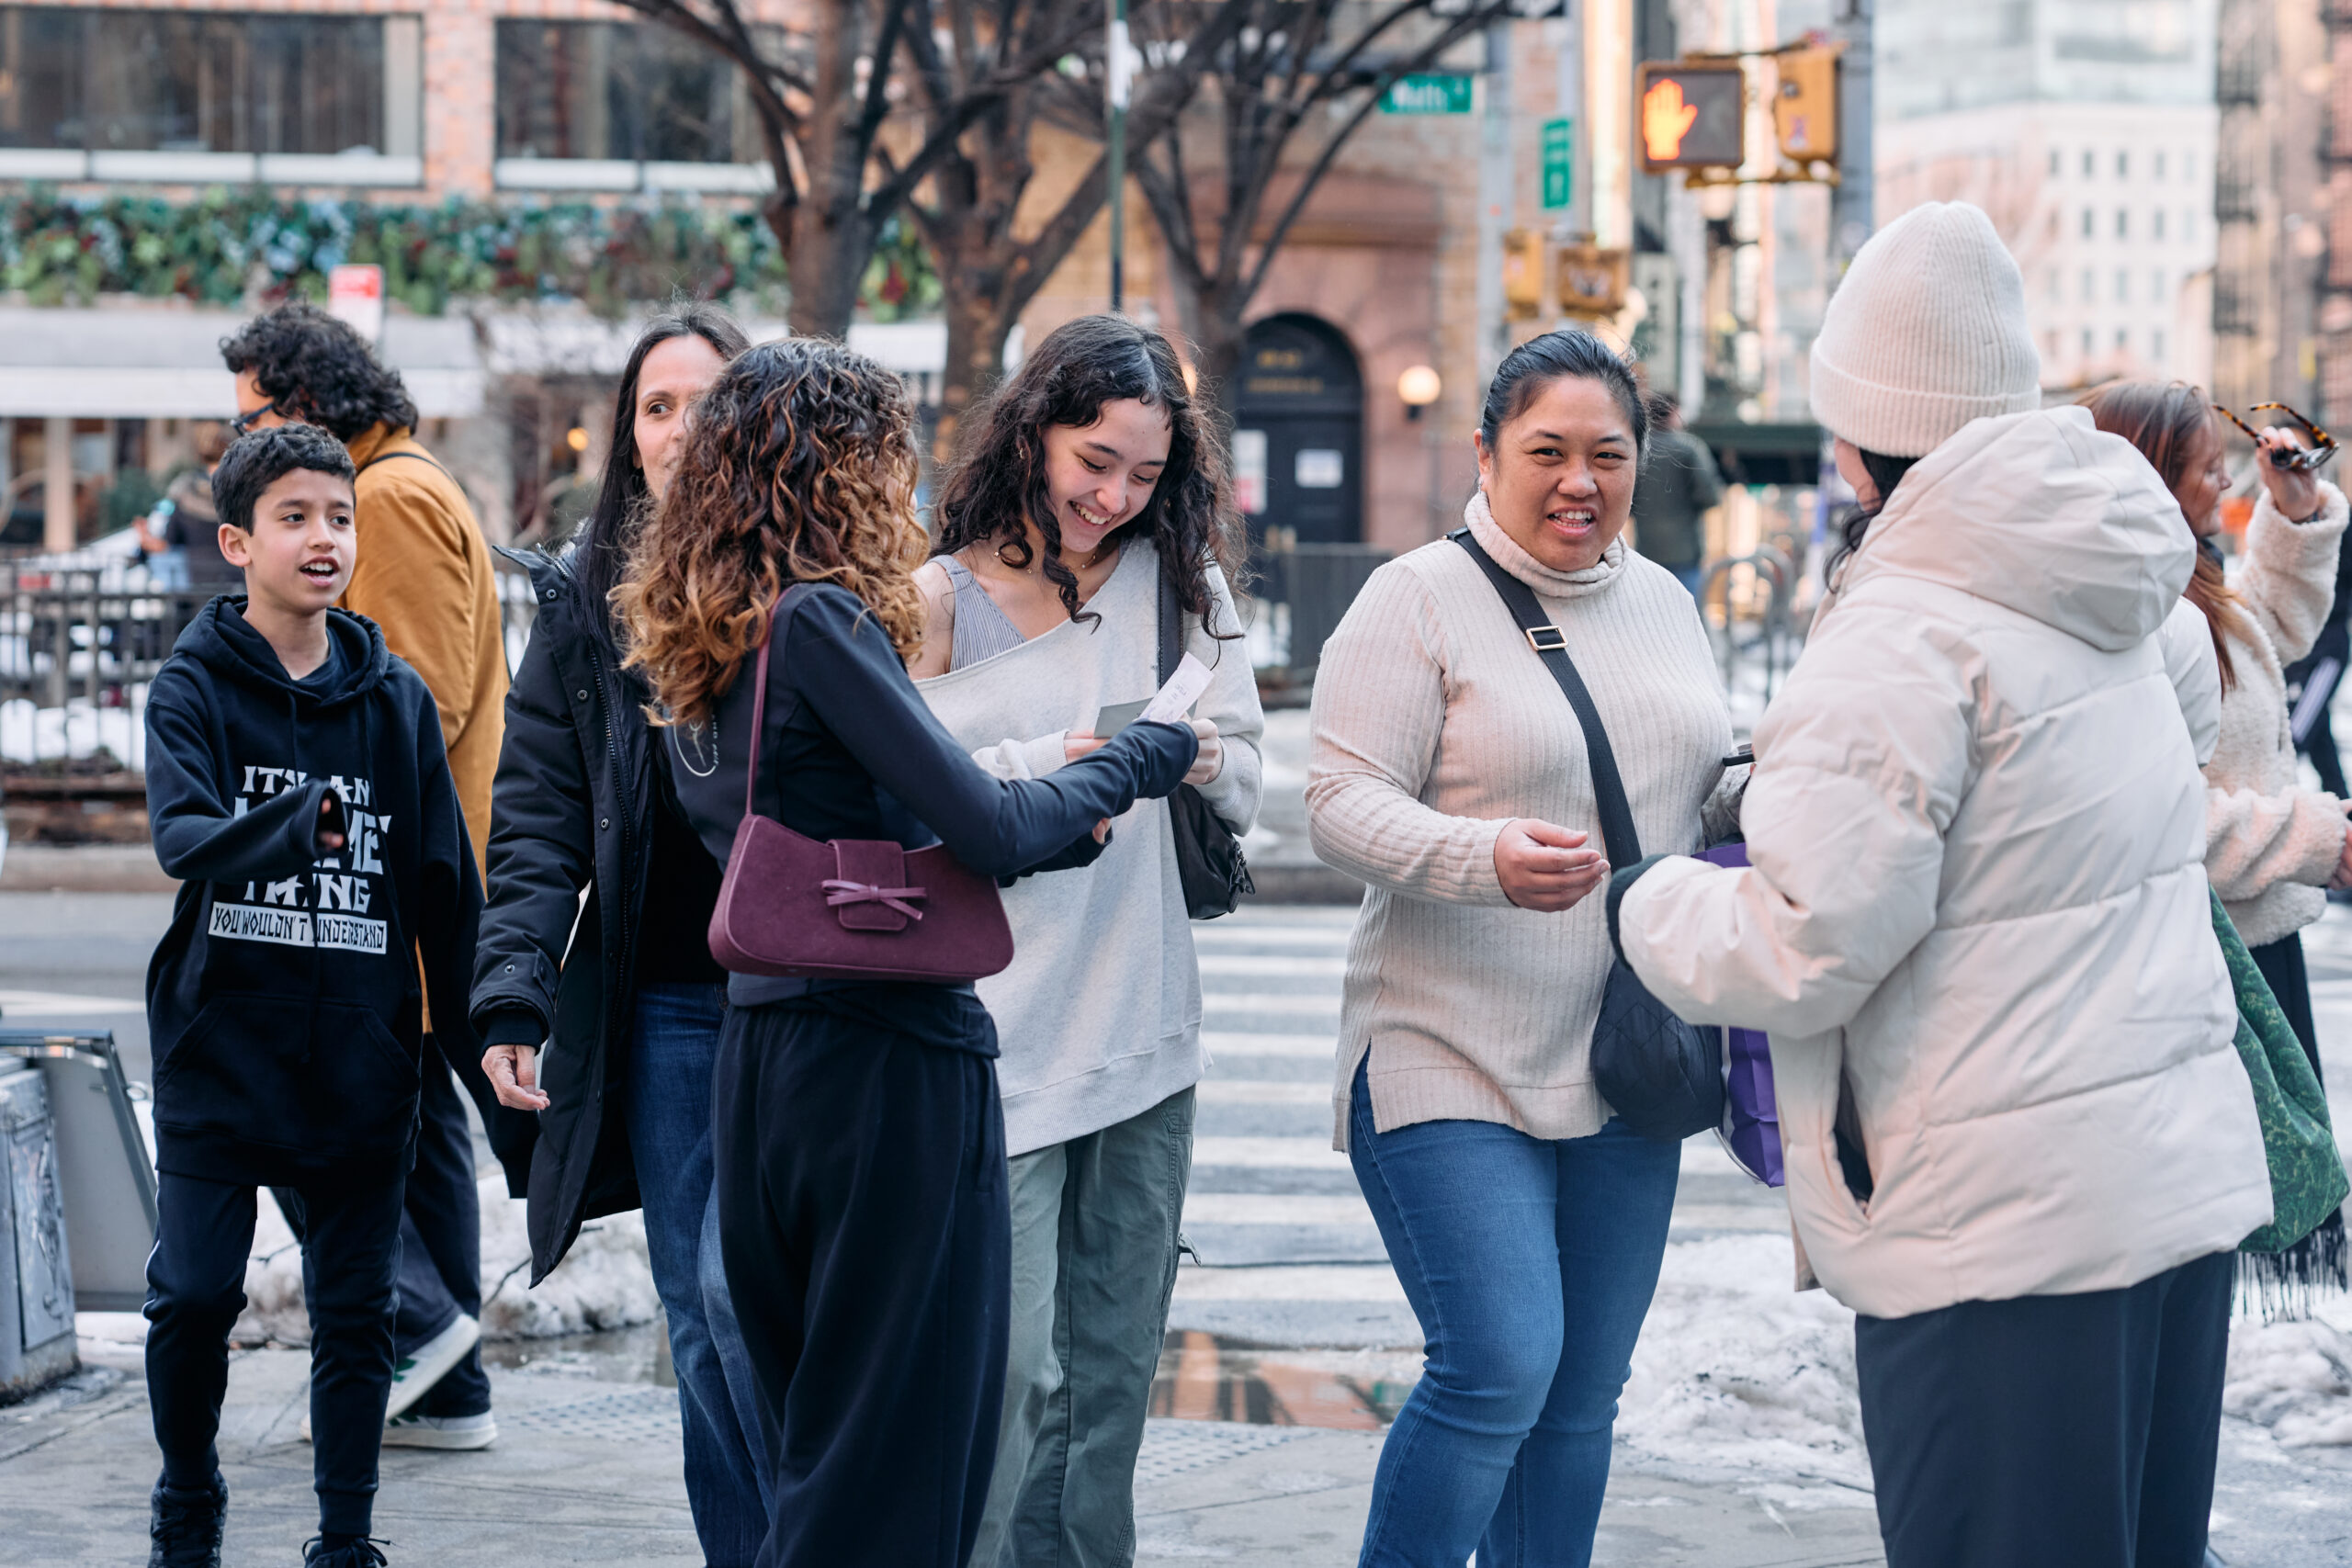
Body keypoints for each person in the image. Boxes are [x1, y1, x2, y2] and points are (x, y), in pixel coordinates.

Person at [1611, 202, 2272, 1568]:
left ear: (1856, 432)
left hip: (1997, 1225)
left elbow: (1806, 941)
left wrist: (1646, 895)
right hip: (2164, 1186)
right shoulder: (2119, 588)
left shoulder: (1905, 630)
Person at [616, 338, 1199, 1568]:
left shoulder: (707, 638)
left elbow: (869, 826)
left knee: (817, 1439)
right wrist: (1139, 757)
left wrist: (1060, 822)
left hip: (767, 1057)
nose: (906, 491)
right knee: (894, 1456)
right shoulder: (821, 619)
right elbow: (983, 826)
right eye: (887, 460)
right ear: (832, 472)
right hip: (885, 1066)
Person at [1304, 328, 1742, 1568]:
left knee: (1578, 1400)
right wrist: (1478, 855)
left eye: (1608, 454)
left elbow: (1683, 782)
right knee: (1499, 1363)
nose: (1579, 481)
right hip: (1449, 1048)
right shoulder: (1416, 597)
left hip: (1626, 1055)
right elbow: (1336, 799)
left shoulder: (1661, 600)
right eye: (1546, 450)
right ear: (1487, 452)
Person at [909, 314, 1264, 1568]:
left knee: (1111, 1384)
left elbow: (1251, 775)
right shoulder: (936, 599)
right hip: (996, 1039)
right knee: (1007, 1377)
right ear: (1034, 431)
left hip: (1146, 1031)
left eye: (1145, 474)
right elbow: (891, 802)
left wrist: (1198, 752)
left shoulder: (1182, 589)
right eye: (1093, 459)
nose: (1113, 497)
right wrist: (1036, 770)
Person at [139, 423, 482, 1568]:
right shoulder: (193, 684)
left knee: (357, 1317)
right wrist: (296, 823)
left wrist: (502, 1032)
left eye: (339, 517)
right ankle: (189, 1501)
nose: (324, 538)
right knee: (191, 1297)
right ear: (238, 541)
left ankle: (346, 1539)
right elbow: (185, 840)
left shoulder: (392, 700)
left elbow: (444, 890)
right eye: (294, 518)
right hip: (220, 1049)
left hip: (356, 1064)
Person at [472, 305, 769, 1563]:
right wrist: (515, 988)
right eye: (657, 405)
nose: (680, 426)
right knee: (703, 1315)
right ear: (629, 437)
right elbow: (536, 815)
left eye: (708, 400)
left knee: (761, 1305)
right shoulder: (589, 599)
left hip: (808, 996)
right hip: (669, 1010)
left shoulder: (809, 579)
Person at [222, 303, 526, 1450]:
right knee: (414, 1123)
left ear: (305, 406)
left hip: (390, 870)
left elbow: (411, 698)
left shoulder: (385, 497)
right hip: (411, 864)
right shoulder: (397, 483)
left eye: (253, 415)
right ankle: (441, 1377)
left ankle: (414, 1325)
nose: (236, 438)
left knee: (296, 1091)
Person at [2083, 378, 2350, 1287]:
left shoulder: (2187, 583)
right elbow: (2157, 816)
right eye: (2204, 470)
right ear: (2146, 477)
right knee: (2200, 1225)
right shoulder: (2133, 612)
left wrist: (2296, 510)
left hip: (2246, 935)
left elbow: (2268, 629)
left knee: (2226, 1216)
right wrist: (2316, 838)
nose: (2220, 486)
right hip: (2202, 956)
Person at [1628, 390, 1723, 597]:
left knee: (1649, 613)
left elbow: (1626, 502)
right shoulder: (1690, 448)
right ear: (1673, 412)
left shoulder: (1637, 449)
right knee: (1685, 613)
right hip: (1685, 551)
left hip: (1646, 550)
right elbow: (1710, 495)